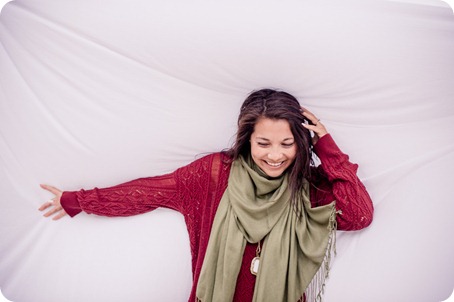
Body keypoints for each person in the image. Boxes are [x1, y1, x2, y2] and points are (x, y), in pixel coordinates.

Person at [39, 88, 374, 302]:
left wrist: (327, 146)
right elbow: (146, 192)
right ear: (247, 139)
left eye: (287, 144)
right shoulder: (214, 174)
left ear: (301, 144)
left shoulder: (307, 186)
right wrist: (77, 200)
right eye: (264, 143)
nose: (275, 155)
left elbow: (358, 215)